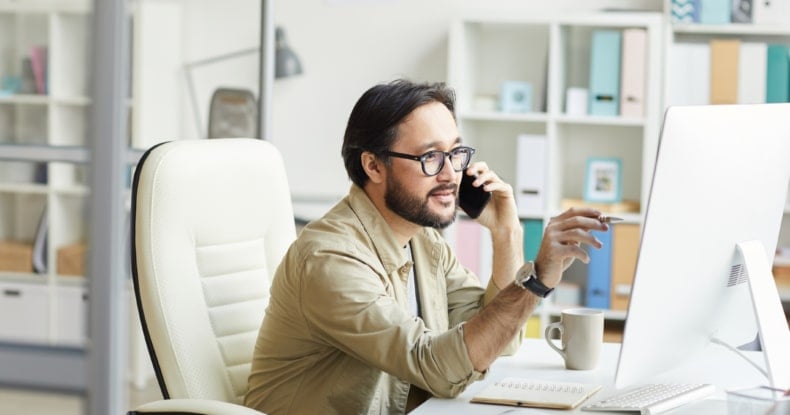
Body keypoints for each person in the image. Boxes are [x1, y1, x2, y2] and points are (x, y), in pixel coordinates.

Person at [244, 79, 608, 414]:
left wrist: (506, 232)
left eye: (455, 153)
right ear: (373, 166)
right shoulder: (330, 260)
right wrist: (536, 281)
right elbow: (436, 367)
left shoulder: (423, 240)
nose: (451, 173)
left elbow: (494, 343)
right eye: (430, 157)